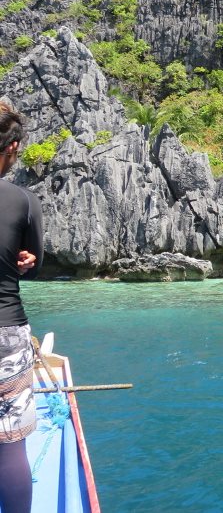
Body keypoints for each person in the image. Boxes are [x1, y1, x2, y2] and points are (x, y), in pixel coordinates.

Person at [0, 102, 43, 513]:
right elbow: (35, 263)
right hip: (5, 331)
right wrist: (25, 262)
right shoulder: (23, 200)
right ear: (12, 147)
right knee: (10, 446)